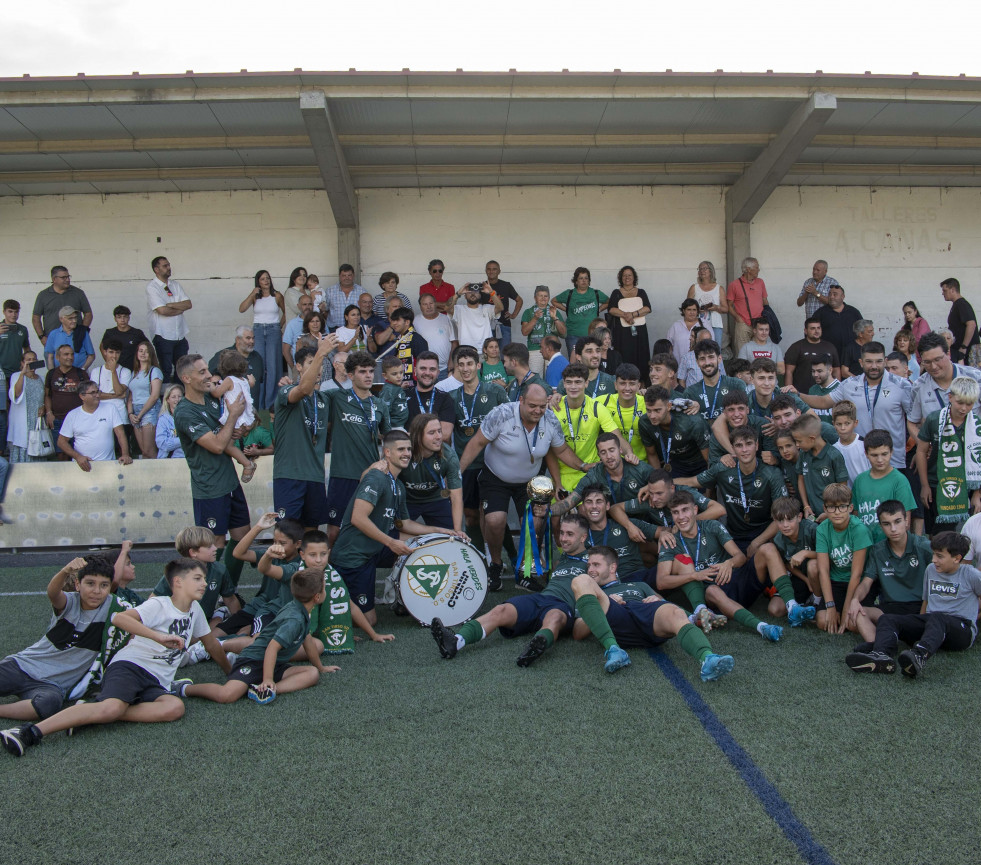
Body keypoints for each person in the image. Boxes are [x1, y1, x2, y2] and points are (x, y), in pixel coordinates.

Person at [0, 558, 229, 757]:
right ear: (178, 582)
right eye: (198, 578)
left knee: (174, 708)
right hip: (128, 667)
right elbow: (120, 619)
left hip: (154, 679)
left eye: (103, 586)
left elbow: (212, 645)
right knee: (111, 708)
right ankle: (28, 732)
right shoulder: (158, 604)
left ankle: (88, 714)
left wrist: (231, 673)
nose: (204, 583)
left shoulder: (194, 610)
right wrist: (159, 637)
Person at [458, 382, 591, 590]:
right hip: (495, 477)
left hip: (530, 482)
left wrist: (583, 466)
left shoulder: (550, 420)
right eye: (532, 406)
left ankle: (524, 571)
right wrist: (458, 473)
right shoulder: (501, 414)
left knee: (536, 521)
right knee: (495, 520)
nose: (538, 411)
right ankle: (495, 564)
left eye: (541, 406)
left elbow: (561, 450)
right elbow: (477, 443)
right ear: (521, 401)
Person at [431, 514, 591, 667]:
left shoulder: (593, 559)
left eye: (569, 534)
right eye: (562, 533)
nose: (563, 538)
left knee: (554, 617)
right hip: (541, 599)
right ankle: (456, 641)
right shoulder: (561, 558)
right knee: (501, 610)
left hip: (563, 606)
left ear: (583, 537)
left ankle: (536, 646)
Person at [571, 545, 735, 679]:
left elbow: (664, 604)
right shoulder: (593, 594)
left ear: (612, 567)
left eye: (596, 565)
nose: (590, 569)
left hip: (647, 616)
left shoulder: (638, 585)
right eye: (589, 565)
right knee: (580, 580)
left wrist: (658, 601)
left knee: (676, 612)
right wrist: (601, 605)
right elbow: (578, 632)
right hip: (615, 617)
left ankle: (708, 659)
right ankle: (614, 650)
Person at [174, 568, 334, 705]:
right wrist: (268, 678)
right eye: (324, 588)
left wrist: (320, 667)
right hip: (254, 660)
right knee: (227, 695)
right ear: (317, 597)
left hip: (275, 663)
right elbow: (272, 647)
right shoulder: (294, 619)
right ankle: (183, 688)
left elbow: (306, 640)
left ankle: (265, 690)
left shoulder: (301, 610)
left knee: (312, 673)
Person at [330, 429, 444, 623]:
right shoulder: (376, 477)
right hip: (353, 557)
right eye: (401, 449)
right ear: (387, 452)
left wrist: (439, 531)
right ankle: (328, 602)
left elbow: (404, 523)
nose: (407, 453)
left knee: (419, 545)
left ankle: (408, 598)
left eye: (408, 449)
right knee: (369, 621)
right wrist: (391, 543)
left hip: (373, 552)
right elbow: (358, 517)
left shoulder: (397, 485)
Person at [846, 532, 981, 678]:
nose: (934, 560)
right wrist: (919, 624)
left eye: (940, 556)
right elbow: (926, 601)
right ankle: (882, 655)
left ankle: (918, 656)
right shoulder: (931, 569)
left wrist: (974, 617)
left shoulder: (971, 575)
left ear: (957, 558)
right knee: (888, 619)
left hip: (961, 630)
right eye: (934, 554)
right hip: (932, 623)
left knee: (937, 617)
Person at [653, 491, 783, 641]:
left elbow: (740, 556)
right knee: (712, 590)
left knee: (767, 548)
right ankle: (761, 627)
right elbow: (661, 582)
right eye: (675, 512)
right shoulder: (670, 541)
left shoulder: (712, 526)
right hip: (716, 594)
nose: (681, 517)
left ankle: (792, 604)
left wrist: (729, 563)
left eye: (685, 510)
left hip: (736, 579)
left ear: (695, 510)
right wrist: (694, 575)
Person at [0, 556, 114, 723]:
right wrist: (65, 571)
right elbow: (53, 593)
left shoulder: (114, 608)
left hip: (51, 686)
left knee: (48, 705)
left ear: (110, 587)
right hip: (23, 666)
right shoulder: (70, 602)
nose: (97, 591)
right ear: (77, 584)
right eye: (90, 583)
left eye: (104, 585)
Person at [173, 354, 253, 589]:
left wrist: (238, 428)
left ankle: (228, 590)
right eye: (201, 372)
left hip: (230, 482)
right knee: (212, 546)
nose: (209, 375)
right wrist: (233, 419)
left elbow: (225, 435)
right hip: (209, 488)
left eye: (207, 370)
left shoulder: (211, 399)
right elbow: (217, 445)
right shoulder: (185, 412)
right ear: (186, 378)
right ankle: (211, 595)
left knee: (242, 540)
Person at [797, 341, 912, 470]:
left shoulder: (902, 385)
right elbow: (824, 402)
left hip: (893, 460)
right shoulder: (850, 384)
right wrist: (797, 394)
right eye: (869, 361)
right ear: (861, 362)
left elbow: (915, 419)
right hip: (860, 461)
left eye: (878, 361)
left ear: (885, 361)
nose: (874, 366)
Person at [843, 499, 931, 645]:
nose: (893, 529)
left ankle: (884, 644)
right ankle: (880, 649)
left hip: (920, 607)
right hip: (891, 607)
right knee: (857, 614)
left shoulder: (924, 547)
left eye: (897, 522)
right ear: (881, 526)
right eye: (887, 524)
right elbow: (866, 582)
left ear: (906, 521)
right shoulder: (878, 551)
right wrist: (855, 600)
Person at [550, 363, 630, 498]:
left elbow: (616, 438)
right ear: (563, 384)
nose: (573, 386)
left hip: (591, 471)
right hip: (563, 473)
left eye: (578, 382)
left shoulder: (596, 408)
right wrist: (557, 483)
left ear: (586, 383)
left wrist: (630, 454)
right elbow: (550, 451)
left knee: (586, 511)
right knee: (556, 518)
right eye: (569, 382)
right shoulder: (553, 410)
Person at [916, 376, 981, 533]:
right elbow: (921, 451)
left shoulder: (977, 424)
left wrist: (978, 493)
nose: (964, 408)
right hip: (936, 482)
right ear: (950, 397)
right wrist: (924, 485)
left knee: (968, 534)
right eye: (960, 402)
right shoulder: (934, 419)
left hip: (969, 483)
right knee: (937, 534)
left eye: (969, 404)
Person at [815, 482, 872, 634]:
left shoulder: (859, 529)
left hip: (857, 582)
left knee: (852, 624)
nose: (837, 512)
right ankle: (835, 611)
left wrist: (846, 610)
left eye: (842, 507)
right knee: (822, 621)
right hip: (836, 580)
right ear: (825, 509)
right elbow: (823, 570)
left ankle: (851, 612)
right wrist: (830, 605)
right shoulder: (822, 529)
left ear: (850, 508)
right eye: (832, 507)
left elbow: (857, 574)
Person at [755, 497, 821, 625]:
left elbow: (827, 555)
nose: (785, 525)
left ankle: (817, 602)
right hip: (800, 577)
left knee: (813, 565)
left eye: (790, 519)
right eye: (780, 520)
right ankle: (800, 607)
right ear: (774, 520)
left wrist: (806, 553)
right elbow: (786, 564)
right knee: (774, 610)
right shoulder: (778, 539)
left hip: (819, 575)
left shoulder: (812, 529)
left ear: (799, 517)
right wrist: (806, 580)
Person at [398, 413, 464, 532]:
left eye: (439, 431)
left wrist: (457, 531)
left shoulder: (448, 455)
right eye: (431, 433)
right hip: (406, 501)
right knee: (393, 535)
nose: (439, 436)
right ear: (418, 436)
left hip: (435, 499)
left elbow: (456, 496)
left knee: (453, 535)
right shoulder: (403, 452)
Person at [908, 331, 981, 432]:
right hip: (938, 446)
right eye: (927, 362)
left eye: (938, 359)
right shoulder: (918, 386)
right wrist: (923, 444)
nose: (933, 366)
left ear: (948, 353)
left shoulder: (976, 378)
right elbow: (912, 422)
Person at [57, 381, 132, 470]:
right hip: (82, 466)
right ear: (82, 396)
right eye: (93, 393)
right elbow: (61, 442)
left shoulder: (110, 408)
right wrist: (78, 457)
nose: (97, 395)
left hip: (107, 465)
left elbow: (120, 433)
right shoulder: (72, 415)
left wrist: (125, 454)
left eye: (98, 392)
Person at [639, 385, 709, 478]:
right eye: (649, 410)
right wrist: (658, 480)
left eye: (657, 410)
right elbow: (651, 454)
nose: (652, 416)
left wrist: (709, 491)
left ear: (668, 406)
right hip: (675, 464)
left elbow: (708, 459)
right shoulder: (645, 423)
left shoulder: (692, 422)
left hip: (699, 463)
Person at [238, 269, 285, 410]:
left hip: (273, 330)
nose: (266, 281)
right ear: (258, 281)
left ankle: (271, 405)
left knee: (273, 367)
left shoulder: (277, 295)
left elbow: (285, 312)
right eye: (263, 279)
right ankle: (259, 405)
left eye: (268, 278)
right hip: (257, 330)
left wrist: (279, 327)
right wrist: (252, 293)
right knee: (259, 366)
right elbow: (241, 309)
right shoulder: (255, 297)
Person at [791, 414, 849, 521]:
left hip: (833, 516)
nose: (797, 445)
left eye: (799, 441)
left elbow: (843, 488)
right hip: (812, 515)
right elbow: (801, 479)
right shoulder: (804, 455)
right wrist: (806, 506)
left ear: (812, 438)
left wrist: (829, 513)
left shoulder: (834, 455)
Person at [145, 256, 191, 383]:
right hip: (163, 335)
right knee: (165, 370)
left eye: (169, 265)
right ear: (156, 269)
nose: (169, 268)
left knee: (182, 369)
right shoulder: (152, 287)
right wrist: (179, 309)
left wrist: (171, 305)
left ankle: (179, 398)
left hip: (180, 335)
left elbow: (188, 304)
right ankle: (164, 399)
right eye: (165, 266)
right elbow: (162, 311)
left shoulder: (175, 285)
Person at [681, 339, 747, 423]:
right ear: (697, 362)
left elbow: (745, 416)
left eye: (711, 357)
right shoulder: (691, 392)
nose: (707, 362)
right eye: (702, 359)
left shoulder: (736, 384)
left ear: (719, 358)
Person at [551, 267, 608, 357]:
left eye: (586, 278)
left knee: (591, 359)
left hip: (593, 335)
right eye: (581, 278)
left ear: (589, 281)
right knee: (575, 361)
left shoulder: (596, 293)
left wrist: (599, 309)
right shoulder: (569, 293)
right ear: (576, 281)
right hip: (573, 335)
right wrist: (567, 309)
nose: (584, 280)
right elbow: (554, 301)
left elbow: (608, 302)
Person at [607, 266, 652, 378]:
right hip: (622, 332)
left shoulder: (641, 292)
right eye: (624, 275)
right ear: (621, 278)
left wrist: (633, 314)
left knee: (641, 355)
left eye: (629, 275)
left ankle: (641, 382)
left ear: (634, 277)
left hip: (639, 331)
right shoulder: (616, 292)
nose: (627, 277)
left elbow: (648, 308)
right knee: (624, 355)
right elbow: (611, 309)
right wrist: (625, 315)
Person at [31, 266, 92, 344]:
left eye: (68, 277)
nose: (67, 280)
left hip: (75, 340)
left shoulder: (78, 293)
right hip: (52, 340)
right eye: (63, 277)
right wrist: (42, 337)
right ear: (54, 279)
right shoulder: (43, 295)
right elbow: (36, 318)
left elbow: (88, 314)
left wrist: (82, 331)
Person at [404, 352, 455, 442]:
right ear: (415, 371)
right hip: (408, 453)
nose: (427, 373)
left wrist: (409, 436)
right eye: (423, 368)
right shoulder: (403, 395)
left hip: (435, 454)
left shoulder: (445, 398)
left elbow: (445, 434)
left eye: (432, 369)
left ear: (438, 373)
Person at [783, 317, 842, 392]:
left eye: (818, 328)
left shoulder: (830, 347)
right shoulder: (796, 347)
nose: (816, 331)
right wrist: (789, 393)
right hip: (802, 393)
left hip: (827, 394)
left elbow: (836, 370)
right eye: (813, 328)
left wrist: (838, 390)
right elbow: (789, 372)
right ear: (805, 331)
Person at [127, 341, 163, 459]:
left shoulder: (154, 371)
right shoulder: (134, 372)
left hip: (149, 410)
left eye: (146, 351)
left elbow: (154, 396)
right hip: (135, 412)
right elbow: (130, 396)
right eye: (140, 351)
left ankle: (159, 476)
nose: (143, 354)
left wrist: (141, 413)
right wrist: (130, 413)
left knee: (149, 450)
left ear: (151, 354)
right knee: (143, 451)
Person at [726, 257, 769, 354]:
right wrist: (738, 318)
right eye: (757, 267)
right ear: (748, 269)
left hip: (759, 324)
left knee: (759, 352)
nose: (759, 269)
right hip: (743, 324)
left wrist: (768, 316)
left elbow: (765, 300)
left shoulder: (760, 282)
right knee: (743, 353)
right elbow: (729, 305)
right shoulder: (734, 285)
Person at [7, 351, 44, 462]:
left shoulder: (41, 378)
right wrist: (23, 373)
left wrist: (44, 407)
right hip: (22, 421)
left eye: (34, 359)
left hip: (37, 421)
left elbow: (44, 397)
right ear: (22, 363)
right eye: (28, 360)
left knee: (37, 446)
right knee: (23, 445)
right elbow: (16, 395)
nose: (32, 362)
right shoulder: (16, 376)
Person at [44, 344, 87, 438]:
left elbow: (88, 396)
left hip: (77, 420)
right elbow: (47, 395)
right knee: (59, 451)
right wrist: (49, 413)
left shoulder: (81, 374)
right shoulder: (51, 374)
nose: (70, 357)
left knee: (77, 450)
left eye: (72, 354)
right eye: (66, 354)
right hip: (57, 419)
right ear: (57, 357)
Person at [522, 287, 566, 376]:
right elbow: (524, 332)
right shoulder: (528, 312)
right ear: (535, 298)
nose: (543, 298)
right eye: (540, 296)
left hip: (552, 350)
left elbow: (564, 333)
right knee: (536, 379)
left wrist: (555, 318)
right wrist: (535, 318)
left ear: (549, 298)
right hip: (535, 349)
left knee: (553, 376)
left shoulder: (554, 311)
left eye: (545, 296)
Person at [814, 285, 862, 361]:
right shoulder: (820, 313)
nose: (831, 297)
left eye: (835, 294)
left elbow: (862, 332)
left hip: (851, 355)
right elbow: (811, 333)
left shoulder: (853, 312)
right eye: (829, 294)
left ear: (843, 297)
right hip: (827, 355)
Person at [413, 292, 457, 375]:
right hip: (425, 370)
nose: (428, 307)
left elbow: (454, 342)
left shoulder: (446, 319)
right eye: (425, 304)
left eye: (431, 303)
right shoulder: (415, 321)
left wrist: (451, 362)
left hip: (445, 369)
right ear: (420, 307)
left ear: (435, 304)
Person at [451, 281, 501, 353]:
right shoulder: (459, 309)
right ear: (465, 295)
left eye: (476, 291)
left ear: (480, 295)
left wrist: (491, 292)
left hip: (486, 352)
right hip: (466, 352)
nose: (473, 294)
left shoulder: (487, 308)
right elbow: (447, 308)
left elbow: (500, 308)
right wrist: (458, 293)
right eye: (470, 291)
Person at [481, 260, 522, 347]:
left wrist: (513, 315)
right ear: (485, 271)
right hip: (486, 326)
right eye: (489, 269)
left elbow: (519, 300)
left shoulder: (506, 285)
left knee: (505, 354)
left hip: (504, 325)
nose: (491, 271)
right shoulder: (482, 287)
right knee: (488, 354)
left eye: (494, 269)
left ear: (499, 271)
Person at [941, 277, 980, 367]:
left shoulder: (961, 304)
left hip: (968, 352)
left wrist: (964, 347)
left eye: (945, 290)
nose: (942, 293)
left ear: (953, 290)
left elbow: (971, 324)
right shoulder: (957, 305)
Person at [687, 260, 726, 345]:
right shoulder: (694, 287)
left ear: (711, 271)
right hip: (698, 323)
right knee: (697, 347)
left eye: (705, 268)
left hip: (715, 324)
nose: (702, 271)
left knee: (715, 349)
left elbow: (726, 309)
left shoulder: (719, 288)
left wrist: (716, 307)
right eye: (700, 269)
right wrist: (697, 310)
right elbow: (686, 306)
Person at [831, 401, 870, 484]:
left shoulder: (865, 444)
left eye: (847, 423)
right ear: (833, 424)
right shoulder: (833, 449)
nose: (843, 428)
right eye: (839, 424)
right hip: (845, 494)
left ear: (855, 423)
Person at [43, 306, 93, 371]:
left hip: (79, 374)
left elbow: (91, 355)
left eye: (75, 317)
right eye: (70, 318)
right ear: (61, 319)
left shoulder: (82, 332)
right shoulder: (54, 334)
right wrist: (52, 374)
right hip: (59, 374)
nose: (74, 321)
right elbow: (50, 356)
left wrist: (82, 370)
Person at [388, 307, 429, 384]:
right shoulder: (400, 338)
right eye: (393, 320)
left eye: (397, 320)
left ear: (407, 322)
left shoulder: (417, 339)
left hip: (414, 385)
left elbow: (424, 365)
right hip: (401, 383)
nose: (394, 323)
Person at [99, 305, 147, 371]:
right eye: (119, 317)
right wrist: (109, 362)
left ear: (129, 318)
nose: (122, 320)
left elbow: (148, 348)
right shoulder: (110, 333)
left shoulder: (137, 333)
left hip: (134, 369)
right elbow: (102, 347)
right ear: (115, 319)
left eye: (125, 317)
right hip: (116, 369)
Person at [282, 294, 315, 378]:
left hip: (317, 366)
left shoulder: (319, 322)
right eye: (304, 304)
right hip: (300, 368)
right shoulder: (292, 324)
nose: (307, 307)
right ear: (298, 306)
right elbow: (286, 350)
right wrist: (294, 367)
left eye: (310, 304)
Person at [667, 299, 706, 367]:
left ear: (697, 311)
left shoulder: (704, 324)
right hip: (679, 366)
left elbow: (711, 344)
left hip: (699, 367)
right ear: (683, 311)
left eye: (694, 310)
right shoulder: (676, 326)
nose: (692, 312)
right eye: (689, 309)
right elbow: (668, 346)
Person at [323, 264, 363, 331]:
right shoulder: (330, 291)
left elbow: (364, 311)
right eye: (344, 275)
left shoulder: (361, 291)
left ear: (353, 275)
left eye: (349, 275)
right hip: (334, 329)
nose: (346, 278)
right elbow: (325, 310)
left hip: (354, 329)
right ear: (339, 276)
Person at [0, 300, 33, 381]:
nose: (13, 315)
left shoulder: (23, 329)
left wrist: (28, 365)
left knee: (17, 394)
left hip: (18, 371)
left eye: (16, 312)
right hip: (1, 372)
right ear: (4, 312)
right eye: (10, 312)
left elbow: (27, 349)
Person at [155, 384, 185, 459]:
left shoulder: (190, 417)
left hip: (187, 460)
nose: (177, 399)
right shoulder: (163, 419)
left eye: (179, 396)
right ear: (167, 399)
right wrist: (184, 439)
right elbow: (162, 443)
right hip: (169, 461)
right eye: (173, 397)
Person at [807, 353, 840, 419]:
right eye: (813, 371)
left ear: (830, 370)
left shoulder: (840, 388)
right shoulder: (812, 390)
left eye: (819, 371)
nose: (815, 374)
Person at [379, 357, 410, 428]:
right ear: (385, 376)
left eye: (401, 372)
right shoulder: (387, 390)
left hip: (400, 425)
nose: (399, 376)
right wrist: (385, 429)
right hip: (394, 427)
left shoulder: (395, 386)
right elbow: (385, 410)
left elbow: (394, 394)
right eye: (394, 374)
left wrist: (400, 388)